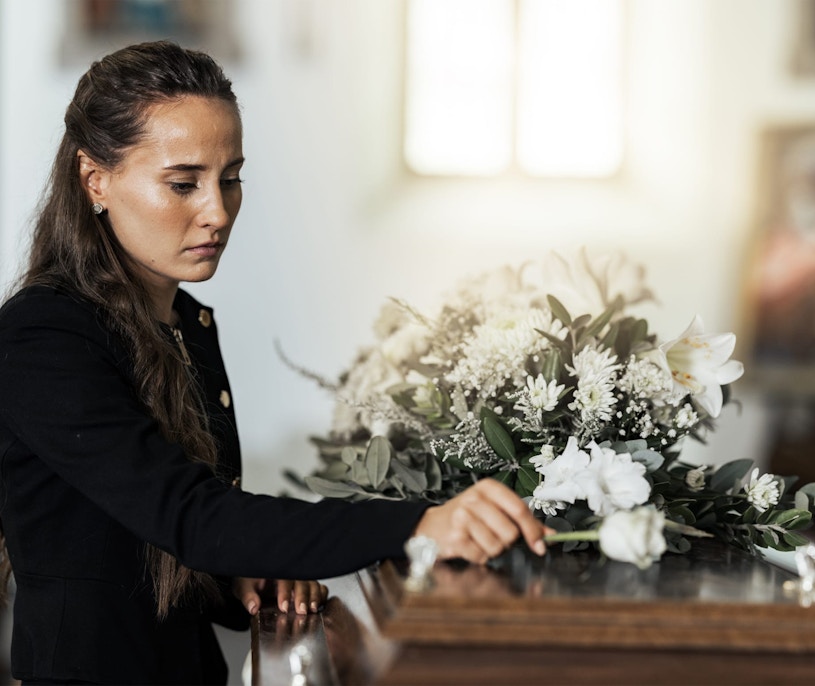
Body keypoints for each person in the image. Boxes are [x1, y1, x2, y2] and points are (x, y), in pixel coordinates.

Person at [0, 41, 549, 685]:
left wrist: (239, 576)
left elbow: (156, 540)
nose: (218, 211)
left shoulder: (187, 324)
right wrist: (419, 524)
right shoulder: (42, 336)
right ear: (97, 180)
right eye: (183, 183)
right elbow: (191, 516)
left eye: (230, 178)